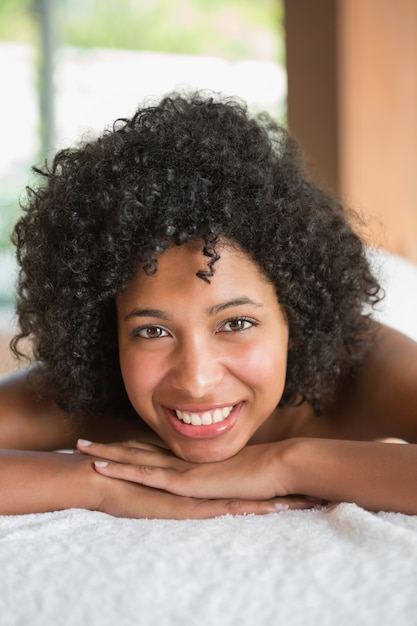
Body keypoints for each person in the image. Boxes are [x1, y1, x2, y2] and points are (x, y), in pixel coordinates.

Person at [1, 91, 417, 518]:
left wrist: (285, 464)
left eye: (235, 323)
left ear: (296, 314)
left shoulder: (363, 367)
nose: (196, 381)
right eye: (152, 331)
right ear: (107, 332)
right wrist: (95, 482)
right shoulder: (93, 390)